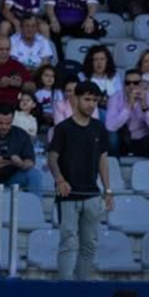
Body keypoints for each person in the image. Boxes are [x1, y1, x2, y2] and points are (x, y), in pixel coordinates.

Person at [49, 80, 113, 279]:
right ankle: (65, 285)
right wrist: (60, 179)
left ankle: (83, 284)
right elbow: (52, 157)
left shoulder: (98, 128)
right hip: (68, 194)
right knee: (68, 241)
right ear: (75, 99)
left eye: (94, 100)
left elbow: (103, 159)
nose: (91, 104)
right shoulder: (63, 128)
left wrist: (108, 190)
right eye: (87, 99)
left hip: (91, 193)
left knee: (89, 243)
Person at [106, 68, 149, 158]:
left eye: (136, 83)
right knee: (111, 137)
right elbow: (110, 127)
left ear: (141, 84)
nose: (131, 86)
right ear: (123, 85)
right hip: (122, 140)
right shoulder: (115, 98)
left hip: (143, 139)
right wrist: (128, 107)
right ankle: (114, 166)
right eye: (128, 83)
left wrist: (145, 107)